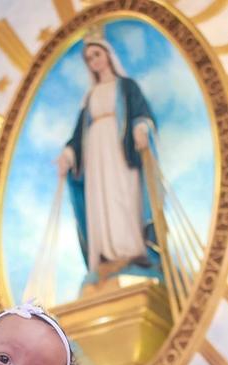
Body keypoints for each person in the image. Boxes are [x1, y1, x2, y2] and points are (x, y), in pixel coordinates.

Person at [57, 26, 161, 285]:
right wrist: (68, 155)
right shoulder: (90, 96)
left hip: (120, 152)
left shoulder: (126, 86)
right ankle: (106, 256)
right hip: (96, 154)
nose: (94, 61)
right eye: (89, 58)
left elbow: (142, 113)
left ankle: (131, 252)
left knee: (123, 196)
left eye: (97, 55)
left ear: (107, 55)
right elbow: (78, 134)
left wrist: (140, 127)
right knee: (100, 200)